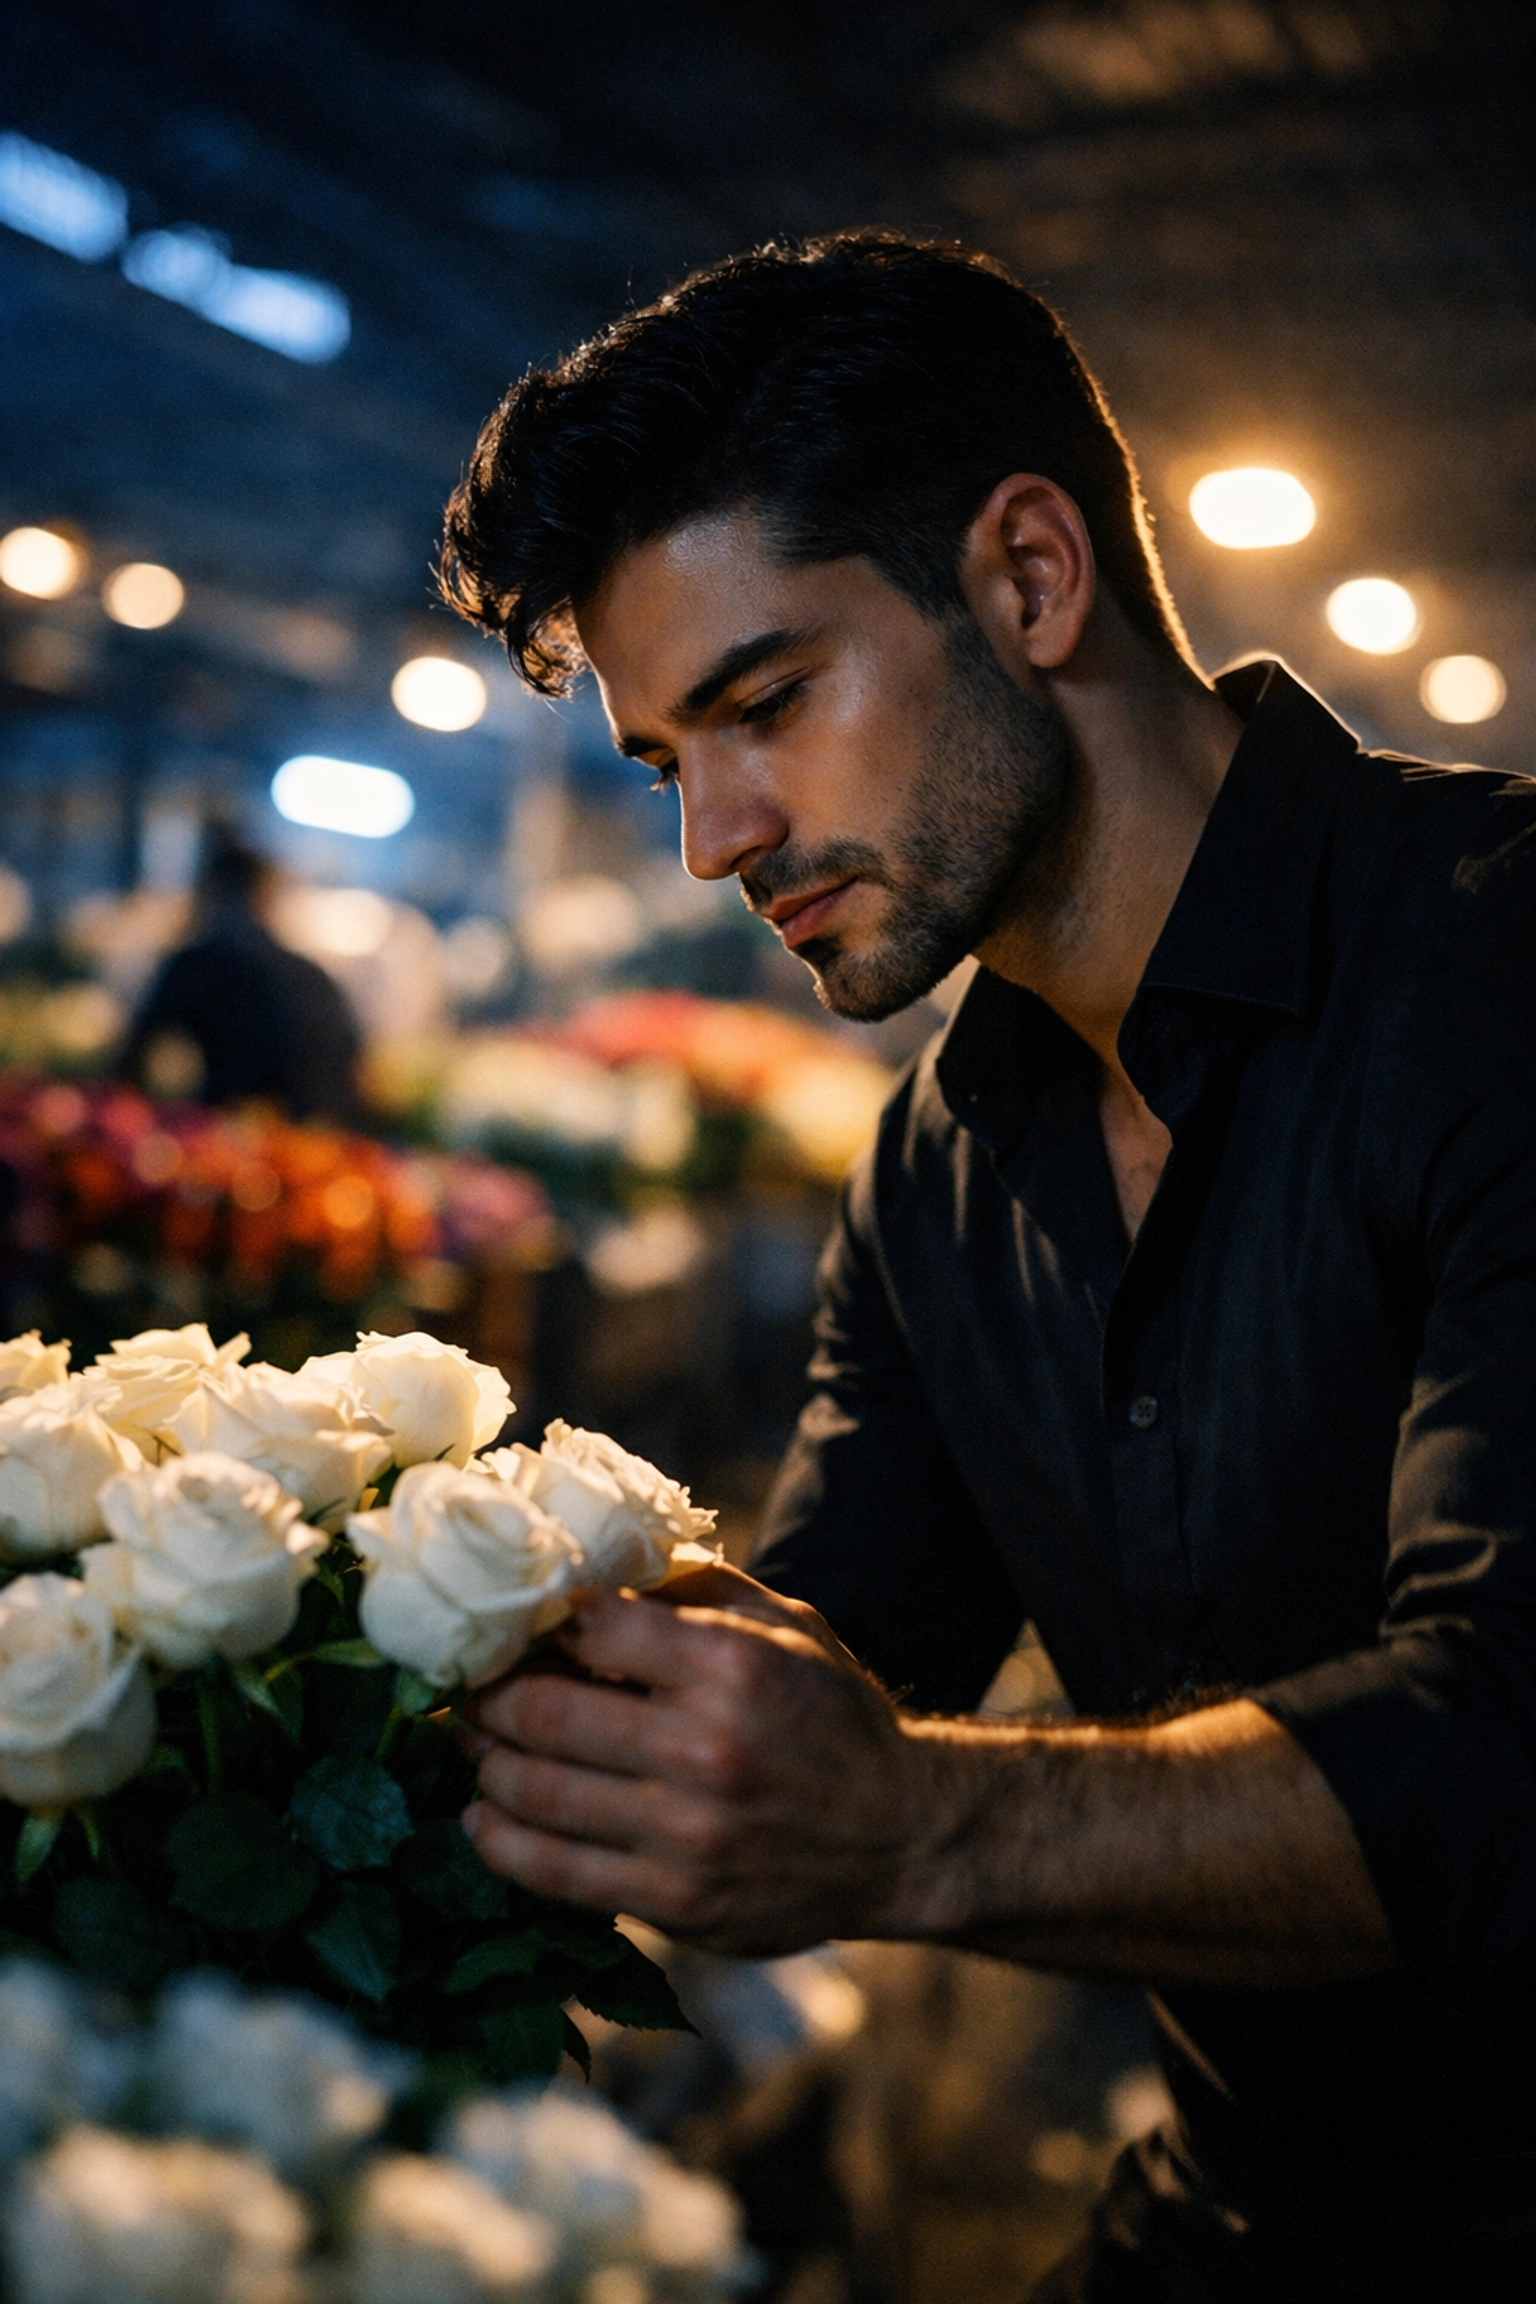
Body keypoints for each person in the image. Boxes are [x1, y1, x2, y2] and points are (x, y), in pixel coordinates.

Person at [438, 233, 1536, 2297]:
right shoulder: (941, 1163)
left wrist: (921, 1823)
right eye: (670, 761)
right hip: (1253, 2207)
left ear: (1032, 577)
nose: (713, 837)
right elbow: (836, 1657)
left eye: (767, 702)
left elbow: (1509, 1750)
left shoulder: (1496, 970)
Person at [122, 827, 363, 1124]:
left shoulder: (199, 963)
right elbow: (358, 1072)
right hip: (327, 1136)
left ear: (211, 892)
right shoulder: (311, 973)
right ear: (266, 898)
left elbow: (133, 1059)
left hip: (244, 1133)